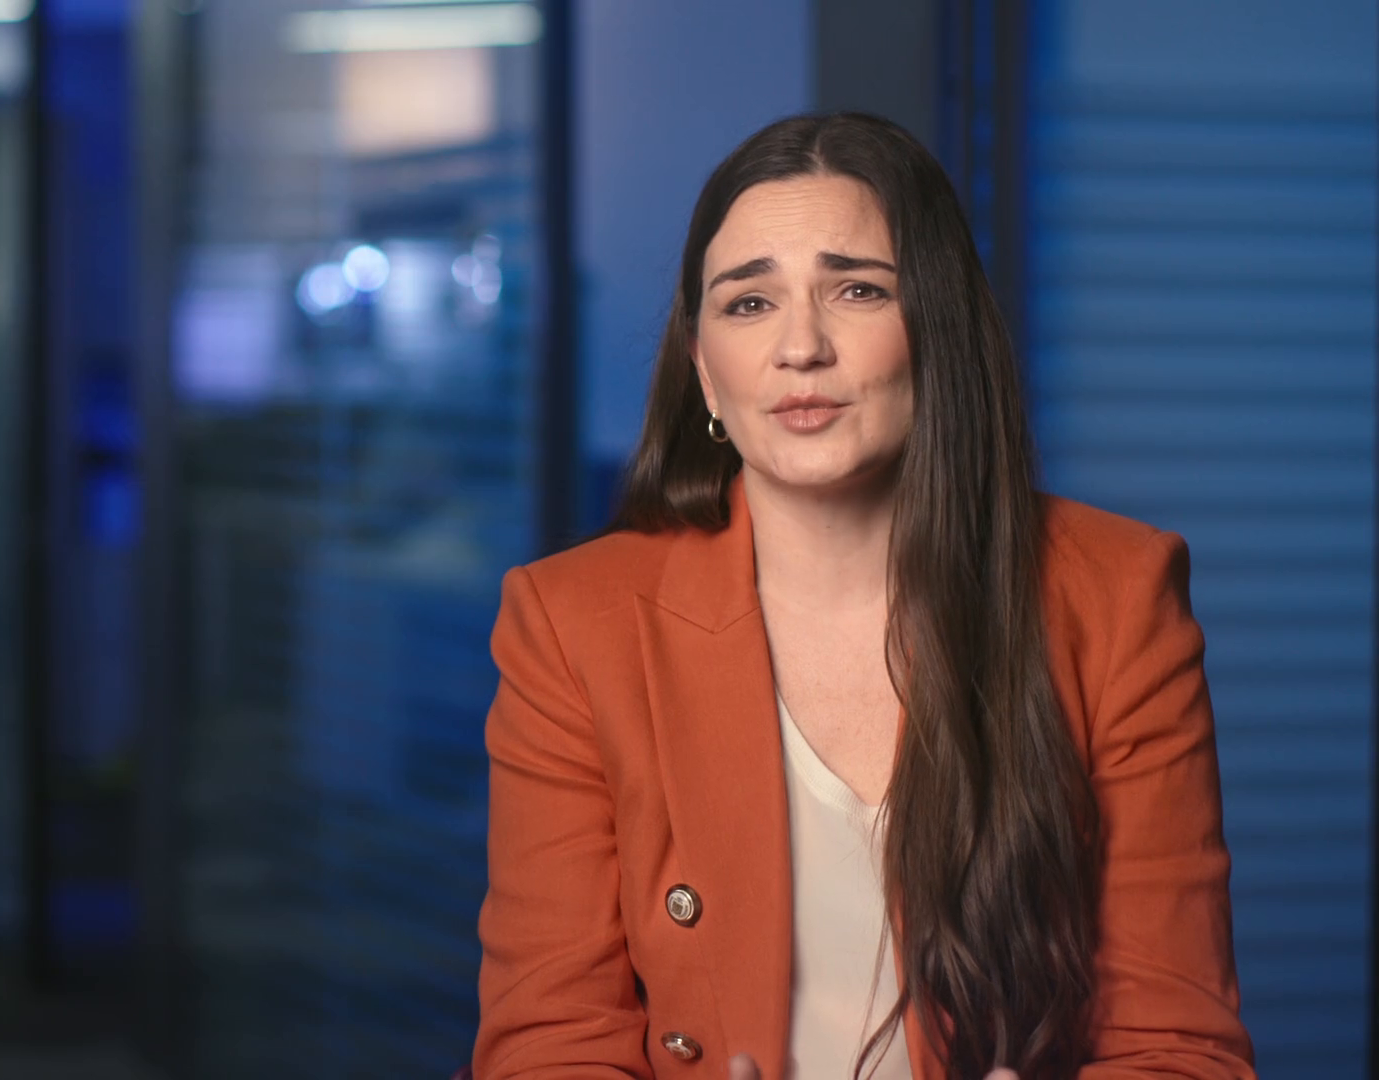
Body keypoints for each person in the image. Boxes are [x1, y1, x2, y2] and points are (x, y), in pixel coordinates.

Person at [472, 113, 1253, 1080]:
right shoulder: (571, 623)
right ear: (704, 370)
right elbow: (551, 1040)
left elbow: (1175, 1045)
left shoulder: (1116, 596)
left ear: (938, 331)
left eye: (857, 289)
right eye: (749, 303)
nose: (801, 347)